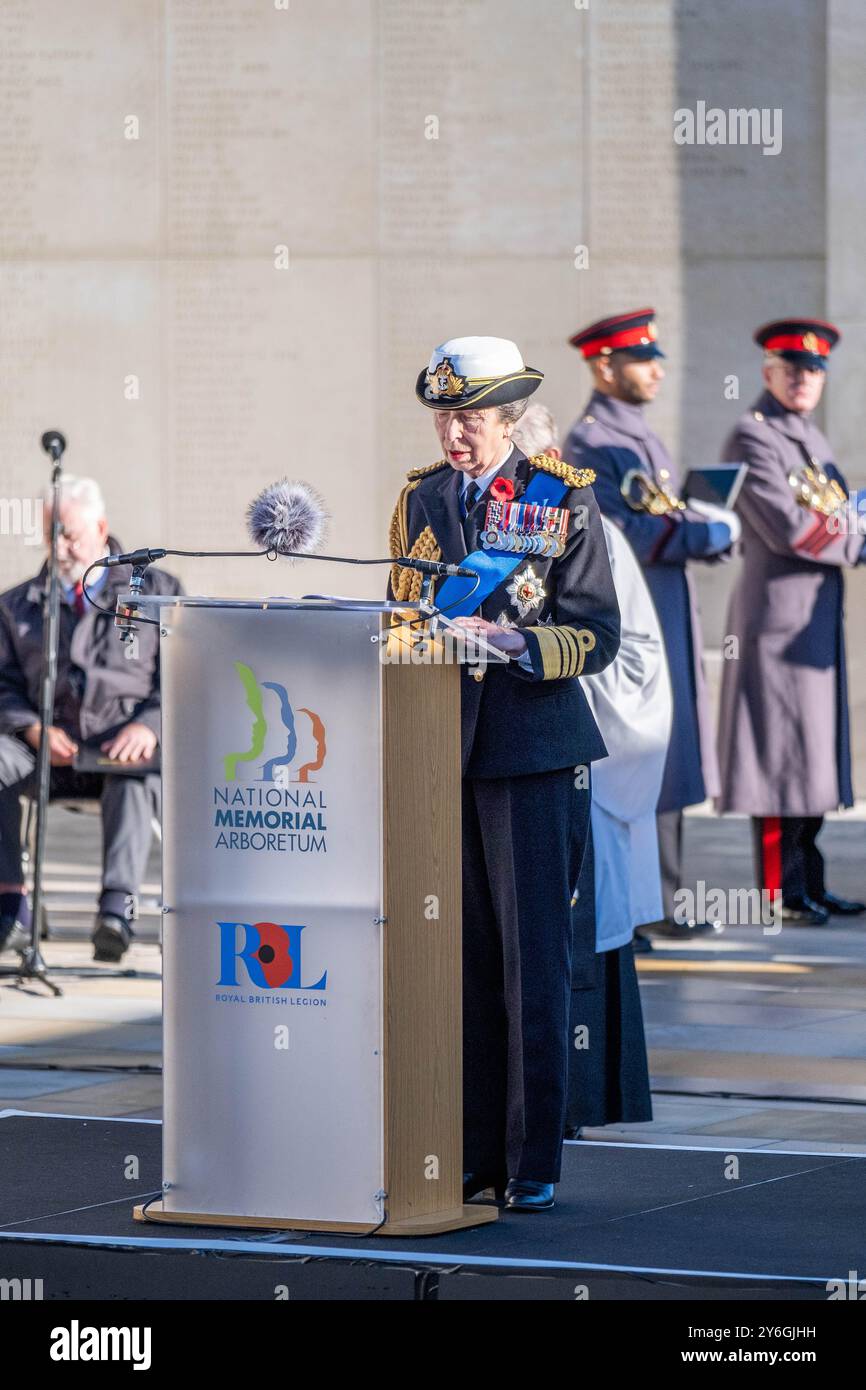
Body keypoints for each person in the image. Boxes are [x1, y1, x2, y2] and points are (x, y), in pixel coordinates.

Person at [388, 336, 620, 1210]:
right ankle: (469, 1152)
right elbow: (406, 611)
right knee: (461, 959)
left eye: (471, 418)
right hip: (441, 748)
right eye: (446, 417)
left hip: (531, 750)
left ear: (511, 420)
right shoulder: (423, 496)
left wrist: (519, 641)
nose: (455, 434)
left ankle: (531, 1165)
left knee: (532, 961)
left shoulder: (562, 498)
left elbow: (597, 633)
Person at [512, 403, 666, 1131]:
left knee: (565, 939)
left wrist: (541, 662)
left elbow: (627, 656)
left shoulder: (587, 534)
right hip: (514, 754)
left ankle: (574, 1103)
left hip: (579, 751)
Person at [563, 308, 737, 940]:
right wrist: (703, 529)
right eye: (642, 359)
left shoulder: (633, 432)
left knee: (666, 751)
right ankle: (645, 902)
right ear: (604, 365)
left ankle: (664, 896)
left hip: (666, 607)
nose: (657, 370)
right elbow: (624, 533)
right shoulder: (589, 442)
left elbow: (657, 514)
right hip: (636, 611)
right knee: (635, 759)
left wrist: (705, 527)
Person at [717, 319, 866, 925]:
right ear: (767, 373)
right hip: (776, 621)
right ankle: (781, 892)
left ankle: (813, 882)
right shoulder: (752, 438)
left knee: (813, 756)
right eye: (793, 369)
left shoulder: (809, 439)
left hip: (814, 619)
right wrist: (859, 534)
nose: (805, 379)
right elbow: (792, 529)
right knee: (778, 758)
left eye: (814, 371)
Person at [0, 476, 182, 963]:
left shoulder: (157, 594)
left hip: (120, 746)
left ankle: (115, 913)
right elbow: (4, 684)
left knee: (137, 772)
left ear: (101, 528)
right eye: (50, 534)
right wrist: (31, 728)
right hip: (45, 751)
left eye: (70, 533)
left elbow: (183, 677)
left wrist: (149, 724)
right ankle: (10, 908)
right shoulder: (17, 605)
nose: (59, 546)